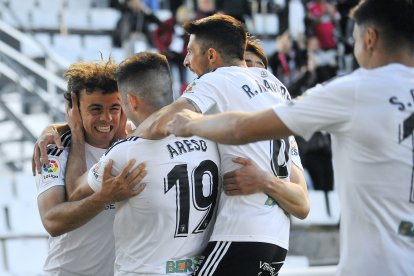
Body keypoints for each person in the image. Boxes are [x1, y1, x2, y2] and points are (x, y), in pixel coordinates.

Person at [166, 0, 414, 275]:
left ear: (370, 39)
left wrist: (191, 123)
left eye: (354, 39)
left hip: (377, 266)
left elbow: (242, 128)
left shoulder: (354, 91)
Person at [135, 14, 309, 275]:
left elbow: (167, 121)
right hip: (276, 242)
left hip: (240, 234)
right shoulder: (277, 87)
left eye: (190, 51)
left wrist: (128, 139)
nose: (185, 61)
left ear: (212, 56)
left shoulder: (217, 80)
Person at [67, 52, 221, 275]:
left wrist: (76, 134)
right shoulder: (209, 140)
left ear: (130, 101)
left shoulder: (126, 153)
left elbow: (74, 191)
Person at [35, 60, 146, 275]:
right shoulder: (55, 147)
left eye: (114, 108)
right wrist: (104, 197)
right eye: (95, 109)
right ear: (73, 110)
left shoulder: (138, 139)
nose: (106, 118)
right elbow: (52, 220)